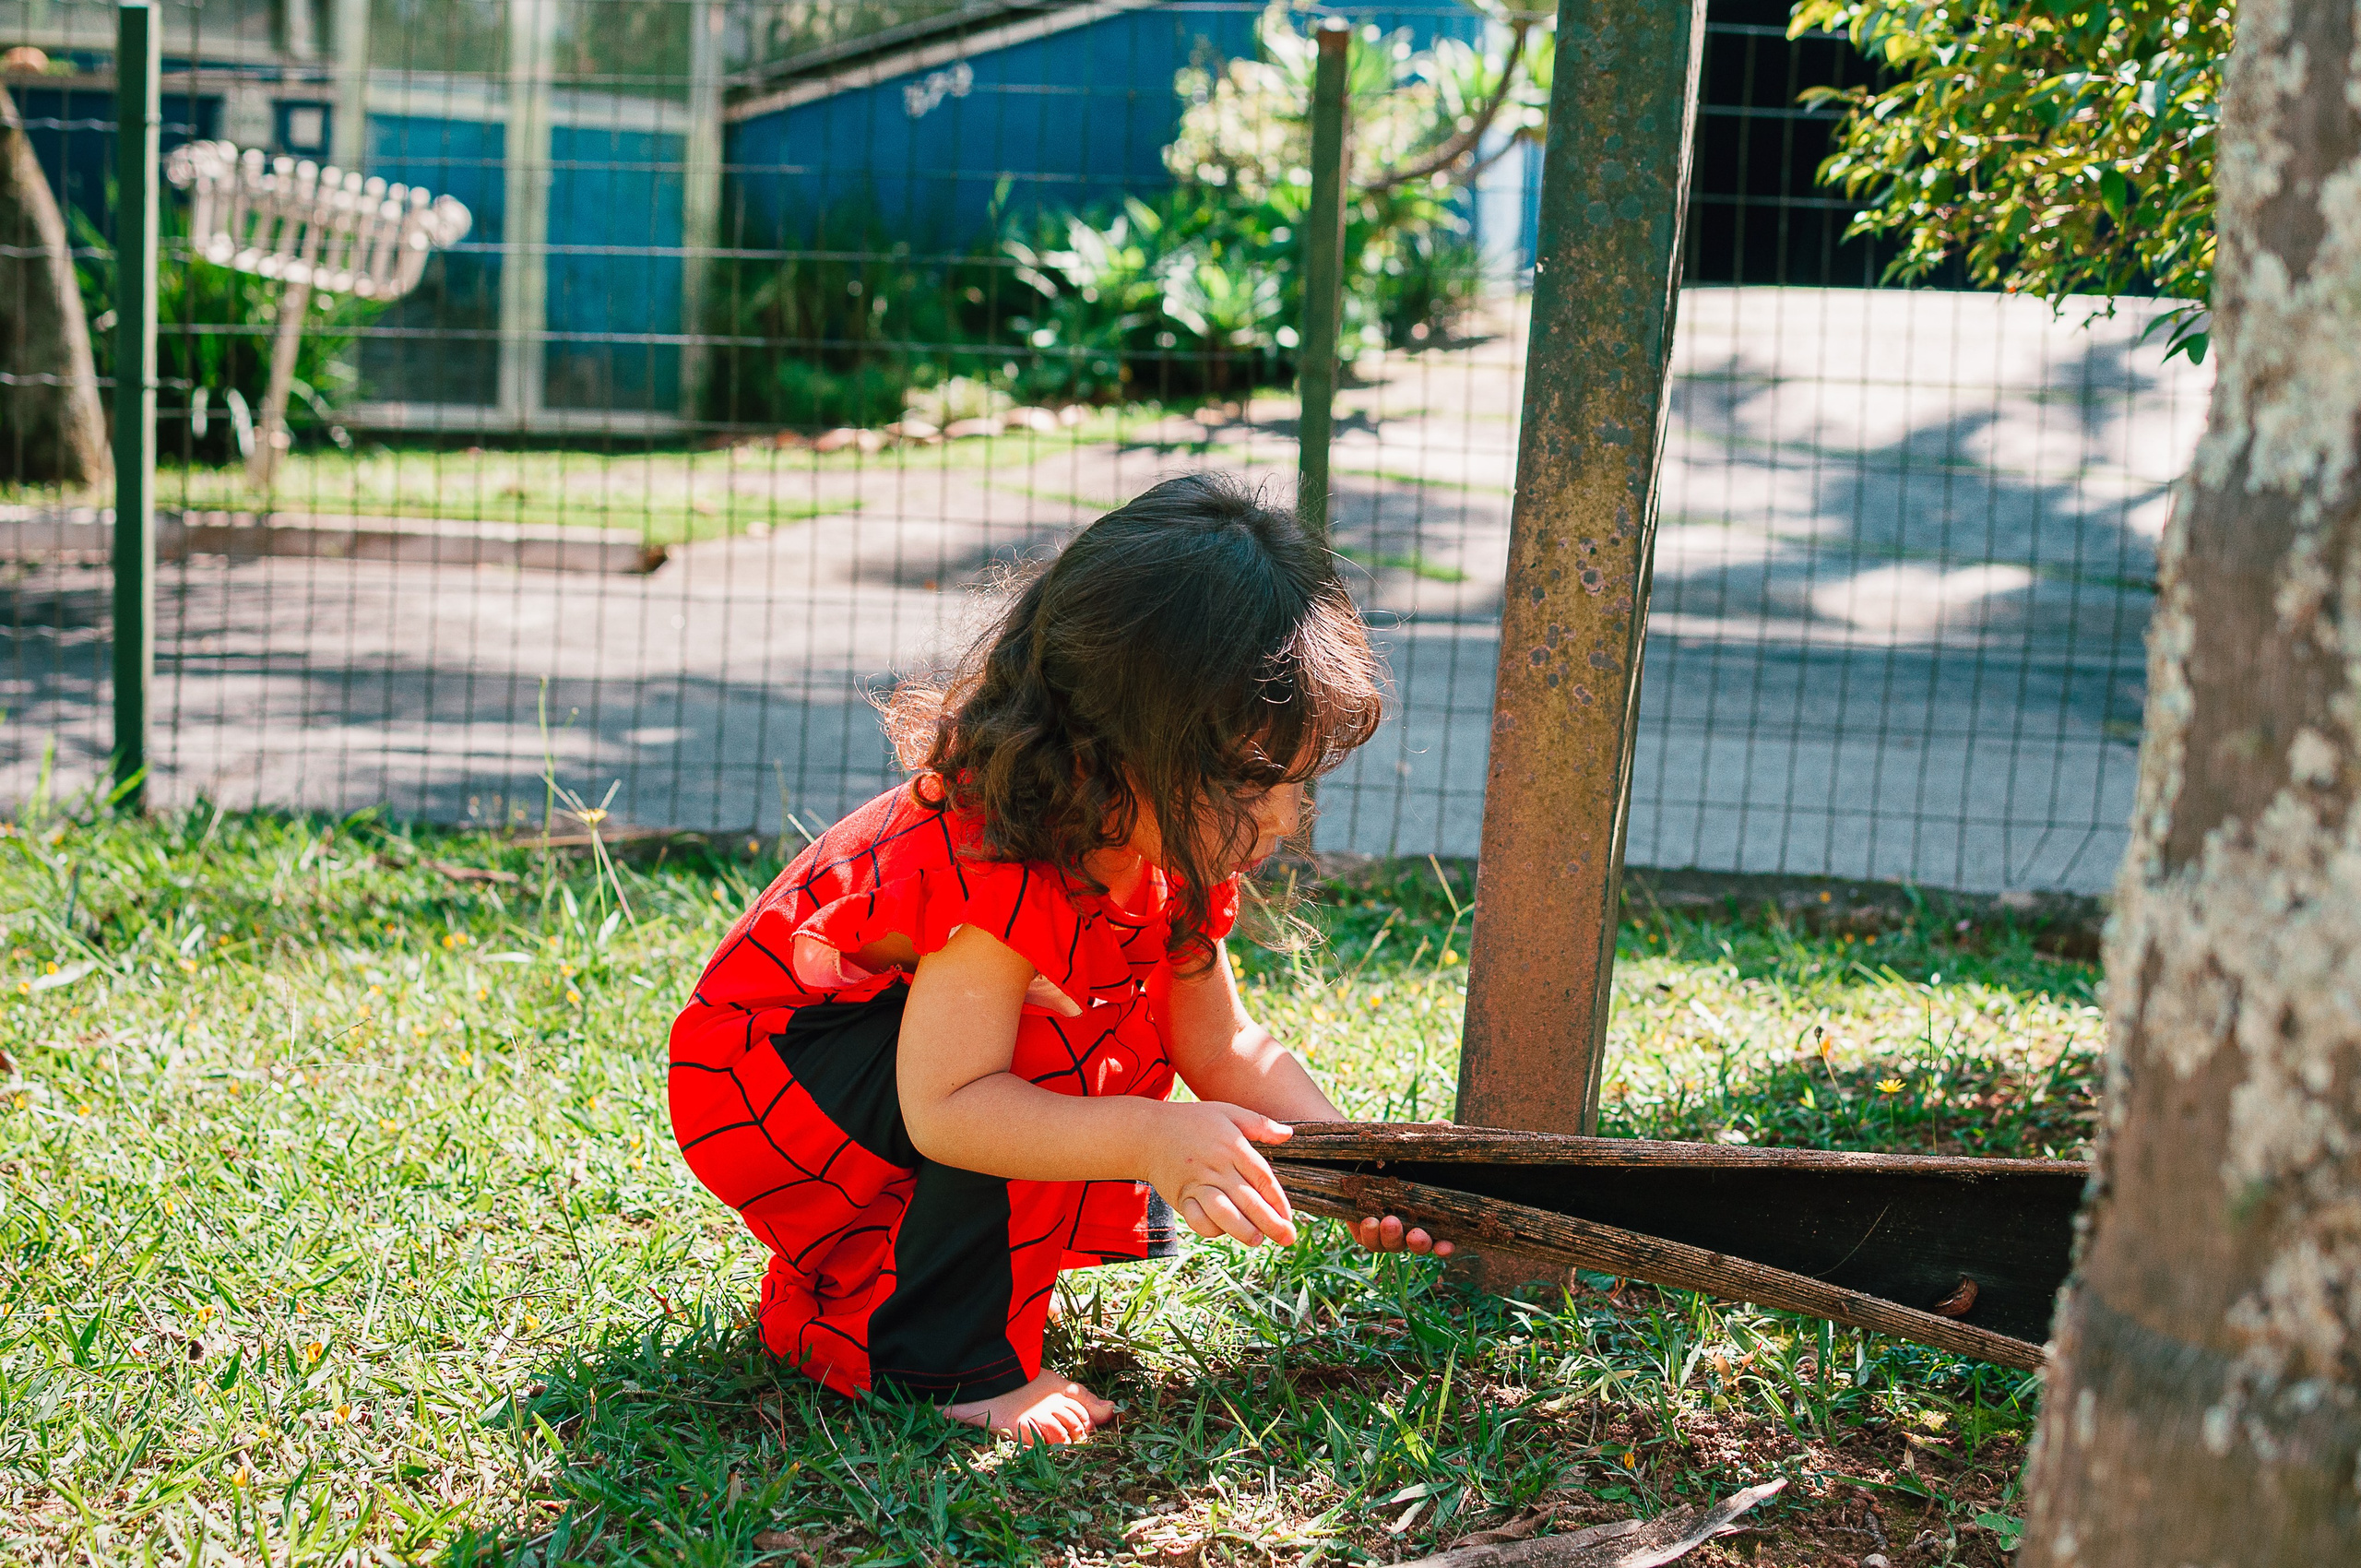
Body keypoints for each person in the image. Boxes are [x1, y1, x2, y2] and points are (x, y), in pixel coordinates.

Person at [670, 474, 1452, 1445]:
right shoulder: (995, 865)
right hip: (783, 1070)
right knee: (1037, 1064)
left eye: (1293, 784)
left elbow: (1225, 1044)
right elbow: (950, 1106)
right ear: (1111, 749)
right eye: (1252, 785)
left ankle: (860, 1280)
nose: (1286, 819)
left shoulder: (1158, 845)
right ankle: (938, 1366)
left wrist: (1360, 1161)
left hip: (900, 1070)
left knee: (1073, 1047)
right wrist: (1147, 1137)